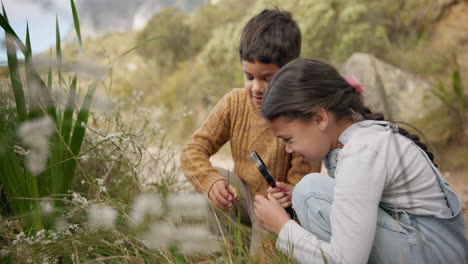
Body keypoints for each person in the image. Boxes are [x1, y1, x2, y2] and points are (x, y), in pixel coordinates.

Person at [254, 58, 468, 263]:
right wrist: (298, 196)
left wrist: (282, 227)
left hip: (434, 254)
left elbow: (346, 260)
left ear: (319, 119)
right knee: (308, 191)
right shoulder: (360, 140)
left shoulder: (361, 152)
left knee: (310, 193)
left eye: (289, 139)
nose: (289, 150)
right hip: (438, 249)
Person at [180, 9, 320, 253]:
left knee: (263, 251)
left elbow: (303, 182)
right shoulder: (234, 103)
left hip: (278, 208)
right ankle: (224, 252)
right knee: (220, 178)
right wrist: (210, 182)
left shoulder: (301, 115)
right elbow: (192, 150)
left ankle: (262, 253)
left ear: (289, 73)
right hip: (241, 200)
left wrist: (287, 197)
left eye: (268, 78)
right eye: (249, 76)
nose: (256, 87)